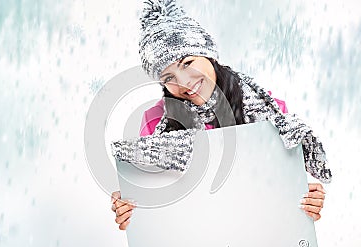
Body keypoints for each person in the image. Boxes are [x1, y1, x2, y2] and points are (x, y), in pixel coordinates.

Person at [110, 0, 331, 230]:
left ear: (209, 55)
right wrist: (132, 205)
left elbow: (281, 188)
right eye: (168, 78)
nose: (184, 82)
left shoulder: (269, 110)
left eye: (187, 63)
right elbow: (158, 199)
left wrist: (304, 200)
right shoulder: (155, 121)